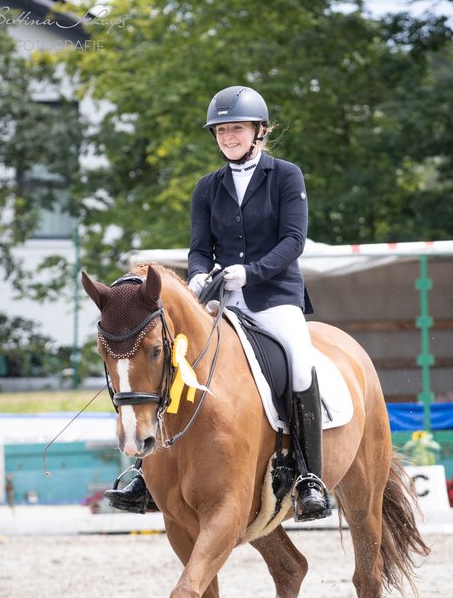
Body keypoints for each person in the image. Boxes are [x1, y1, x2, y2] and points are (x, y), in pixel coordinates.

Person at [106, 85, 330, 522]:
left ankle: (308, 476)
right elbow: (198, 247)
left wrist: (253, 272)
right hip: (220, 302)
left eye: (237, 129)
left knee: (300, 365)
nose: (229, 137)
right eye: (222, 131)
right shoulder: (208, 187)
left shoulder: (286, 176)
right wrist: (198, 274)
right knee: (171, 361)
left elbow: (294, 241)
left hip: (274, 297)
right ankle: (144, 471)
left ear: (259, 131)